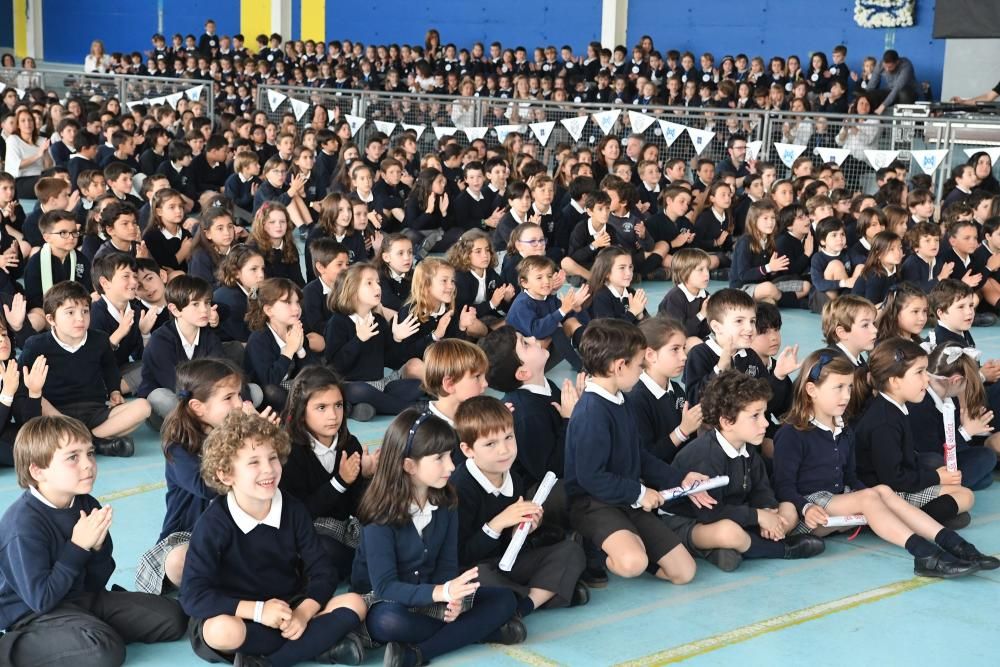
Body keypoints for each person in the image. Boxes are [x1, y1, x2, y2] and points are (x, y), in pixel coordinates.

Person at [772, 350, 995, 579]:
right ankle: (925, 554)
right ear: (811, 391)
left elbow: (851, 478)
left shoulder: (844, 430)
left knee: (881, 492)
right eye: (838, 388)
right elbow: (783, 487)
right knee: (871, 497)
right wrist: (806, 508)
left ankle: (956, 545)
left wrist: (878, 499)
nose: (846, 395)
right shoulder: (792, 433)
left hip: (841, 502)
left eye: (848, 387)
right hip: (808, 510)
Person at [180, 411, 368, 666]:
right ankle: (316, 646)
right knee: (221, 631)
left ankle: (265, 662)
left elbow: (323, 571)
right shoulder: (213, 523)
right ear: (226, 475)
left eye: (273, 458)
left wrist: (304, 612)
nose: (268, 469)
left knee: (355, 603)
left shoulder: (293, 509)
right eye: (253, 462)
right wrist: (258, 612)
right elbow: (193, 595)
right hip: (239, 612)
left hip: (289, 606)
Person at [0, 416, 187, 666]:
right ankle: (11, 649)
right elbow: (42, 600)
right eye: (72, 457)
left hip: (81, 599)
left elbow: (97, 581)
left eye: (90, 453)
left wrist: (97, 549)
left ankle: (82, 631)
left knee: (173, 618)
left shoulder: (85, 503)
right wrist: (77, 548)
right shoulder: (22, 526)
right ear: (37, 470)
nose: (88, 465)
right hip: (34, 614)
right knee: (104, 650)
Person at [351, 409, 526, 667]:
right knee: (389, 621)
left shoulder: (445, 503)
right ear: (409, 465)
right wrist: (441, 593)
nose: (451, 466)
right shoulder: (380, 515)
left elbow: (446, 567)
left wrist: (451, 599)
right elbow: (385, 587)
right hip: (386, 601)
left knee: (505, 599)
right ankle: (481, 632)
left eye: (450, 456)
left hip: (433, 595)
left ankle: (416, 654)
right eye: (440, 458)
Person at [564, 319, 715, 584]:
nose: (642, 370)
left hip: (626, 498)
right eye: (639, 365)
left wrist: (680, 479)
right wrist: (640, 493)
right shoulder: (592, 413)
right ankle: (590, 545)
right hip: (594, 504)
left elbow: (639, 455)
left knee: (684, 572)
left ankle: (629, 540)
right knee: (633, 562)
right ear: (619, 366)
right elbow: (591, 477)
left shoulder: (620, 398)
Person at [666, 370, 825, 572]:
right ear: (727, 422)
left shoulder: (747, 445)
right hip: (689, 521)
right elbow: (710, 514)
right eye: (755, 416)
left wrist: (768, 510)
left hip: (734, 511)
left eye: (764, 414)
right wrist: (758, 517)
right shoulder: (705, 456)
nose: (766, 423)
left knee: (789, 510)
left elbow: (761, 488)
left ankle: (736, 548)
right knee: (728, 532)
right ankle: (781, 549)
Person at [451, 395, 589, 615]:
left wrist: (524, 529)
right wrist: (496, 524)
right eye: (490, 444)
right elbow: (460, 556)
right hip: (474, 567)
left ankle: (525, 604)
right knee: (479, 576)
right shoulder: (459, 488)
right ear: (468, 450)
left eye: (509, 437)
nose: (504, 450)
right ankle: (546, 593)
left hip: (506, 563)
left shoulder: (513, 478)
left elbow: (510, 546)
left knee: (570, 550)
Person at [134, 359, 245, 594]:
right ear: (197, 407)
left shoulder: (240, 433)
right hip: (190, 532)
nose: (240, 404)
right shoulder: (178, 446)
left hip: (234, 528)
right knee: (180, 561)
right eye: (229, 398)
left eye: (238, 395)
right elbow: (206, 486)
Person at [853, 338, 975, 528]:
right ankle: (909, 519)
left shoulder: (894, 407)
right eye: (919, 372)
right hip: (884, 495)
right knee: (966, 496)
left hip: (892, 485)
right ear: (894, 381)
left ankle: (927, 515)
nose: (927, 379)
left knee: (953, 486)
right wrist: (936, 478)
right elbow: (893, 480)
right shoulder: (884, 422)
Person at [21, 281, 150, 456]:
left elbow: (110, 368)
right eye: (70, 313)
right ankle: (96, 442)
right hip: (57, 415)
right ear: (51, 319)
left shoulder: (100, 340)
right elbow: (26, 388)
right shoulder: (36, 345)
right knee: (36, 397)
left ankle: (88, 441)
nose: (80, 318)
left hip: (95, 411)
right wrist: (55, 415)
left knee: (143, 407)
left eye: (85, 311)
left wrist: (114, 391)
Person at [280, 367, 375, 579]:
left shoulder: (350, 444)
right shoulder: (288, 452)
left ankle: (372, 563)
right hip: (306, 531)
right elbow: (300, 515)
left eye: (338, 405)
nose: (333, 416)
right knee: (322, 551)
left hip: (343, 527)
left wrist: (372, 480)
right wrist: (340, 481)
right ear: (301, 412)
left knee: (384, 528)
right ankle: (370, 567)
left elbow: (355, 506)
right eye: (321, 407)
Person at [324, 263, 424, 419]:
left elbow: (390, 360)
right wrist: (358, 340)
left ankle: (361, 408)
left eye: (378, 282)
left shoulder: (378, 320)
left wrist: (397, 339)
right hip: (350, 385)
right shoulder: (338, 322)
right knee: (360, 391)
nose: (377, 287)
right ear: (352, 291)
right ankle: (412, 408)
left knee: (418, 385)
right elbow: (335, 366)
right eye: (369, 283)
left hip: (379, 384)